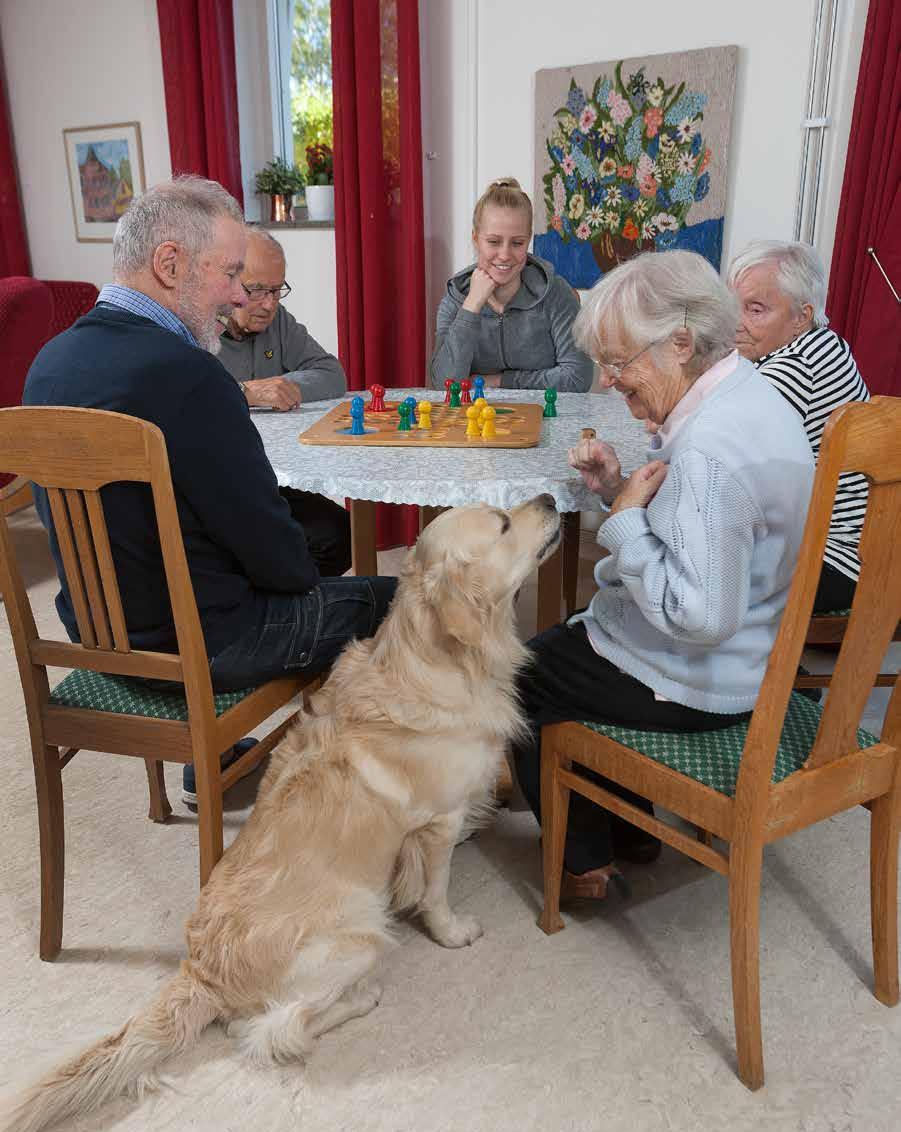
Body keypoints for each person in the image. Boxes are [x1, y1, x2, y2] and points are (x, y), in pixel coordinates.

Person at [24, 176, 395, 801]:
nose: (233, 294)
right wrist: (309, 587)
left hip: (96, 633)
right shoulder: (192, 377)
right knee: (395, 600)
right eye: (227, 273)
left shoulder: (48, 362)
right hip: (205, 646)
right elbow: (272, 548)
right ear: (169, 264)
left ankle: (215, 758)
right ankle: (354, 797)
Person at [510, 250, 814, 899]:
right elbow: (709, 537)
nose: (610, 379)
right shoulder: (753, 395)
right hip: (754, 657)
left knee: (516, 675)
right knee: (572, 637)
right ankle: (631, 828)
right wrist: (621, 487)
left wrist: (621, 522)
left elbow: (698, 615)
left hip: (700, 679)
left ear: (679, 343)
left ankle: (582, 864)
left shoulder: (706, 449)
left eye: (620, 362)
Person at [728, 240, 869, 611]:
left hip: (832, 559)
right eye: (733, 307)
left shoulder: (789, 369)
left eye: (754, 310)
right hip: (866, 550)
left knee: (693, 573)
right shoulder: (827, 343)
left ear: (801, 316)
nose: (734, 323)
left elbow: (727, 470)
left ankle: (760, 666)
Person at [217, 225, 351, 576]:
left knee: (339, 533)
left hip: (272, 479)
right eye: (258, 290)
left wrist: (279, 386)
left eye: (277, 290)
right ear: (227, 280)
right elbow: (178, 398)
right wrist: (246, 393)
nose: (270, 304)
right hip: (218, 486)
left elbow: (331, 373)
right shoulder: (194, 329)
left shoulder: (278, 321)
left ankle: (300, 615)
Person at [429, 178, 593, 394]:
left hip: (549, 418)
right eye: (494, 242)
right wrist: (471, 307)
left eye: (517, 243)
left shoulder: (557, 293)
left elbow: (577, 377)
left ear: (528, 241)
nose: (505, 255)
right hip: (476, 421)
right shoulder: (455, 300)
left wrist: (498, 381)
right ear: (476, 239)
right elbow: (443, 385)